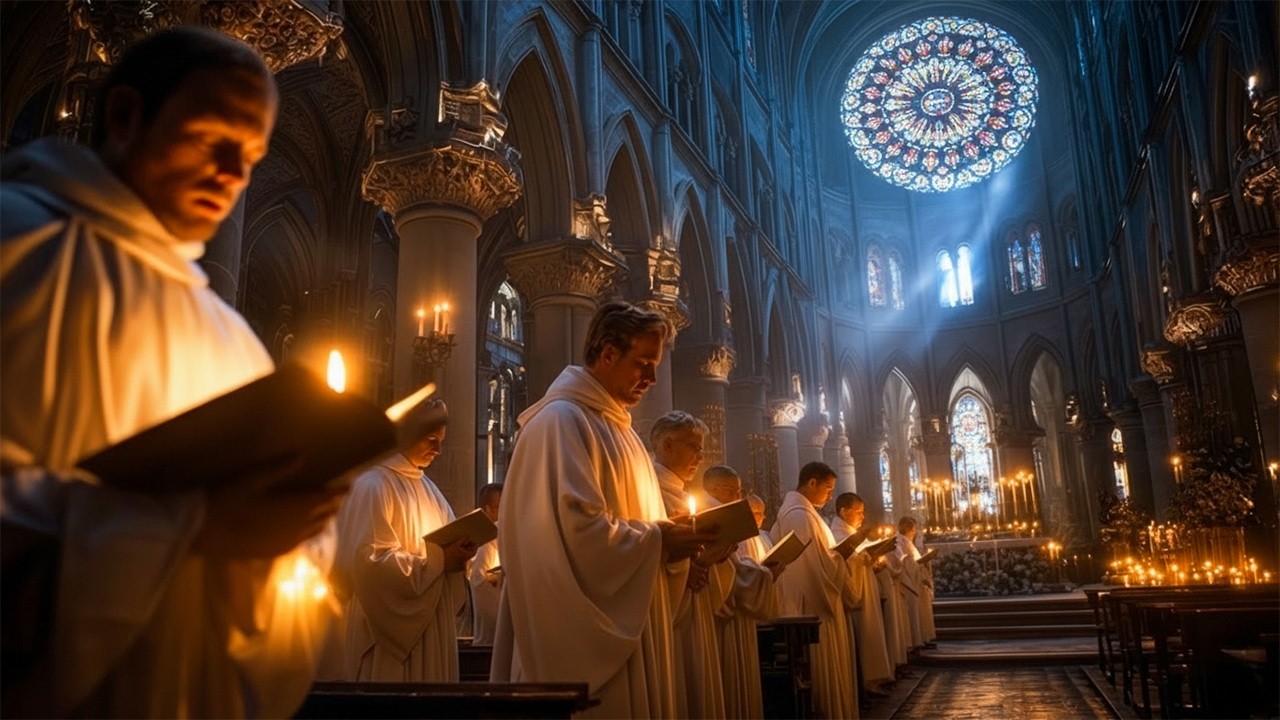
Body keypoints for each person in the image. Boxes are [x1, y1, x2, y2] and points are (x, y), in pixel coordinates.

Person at [0, 27, 345, 718]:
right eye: (212, 138)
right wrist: (192, 527)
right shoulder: (18, 247)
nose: (232, 174)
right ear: (126, 116)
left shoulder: (233, 340)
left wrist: (295, 531)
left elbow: (290, 585)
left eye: (249, 158)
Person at [490, 301, 708, 719]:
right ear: (608, 353)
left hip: (635, 630)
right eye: (643, 363)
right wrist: (660, 539)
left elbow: (636, 529)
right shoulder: (560, 423)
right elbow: (578, 535)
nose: (653, 377)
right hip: (582, 646)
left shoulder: (621, 432)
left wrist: (669, 541)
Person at [332, 400, 473, 681]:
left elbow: (449, 562)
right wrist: (441, 560)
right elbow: (368, 565)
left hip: (431, 626)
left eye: (442, 441)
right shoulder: (372, 485)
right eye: (431, 439)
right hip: (388, 638)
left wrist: (460, 558)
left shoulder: (431, 491)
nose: (438, 450)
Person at [652, 412, 731, 718]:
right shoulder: (649, 488)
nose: (701, 456)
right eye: (694, 447)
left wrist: (715, 559)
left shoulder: (682, 494)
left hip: (694, 607)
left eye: (701, 449)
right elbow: (651, 546)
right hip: (671, 614)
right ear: (668, 445)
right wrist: (688, 567)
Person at [771, 461, 859, 719]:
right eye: (828, 488)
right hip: (812, 604)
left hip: (812, 598)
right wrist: (841, 557)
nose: (830, 495)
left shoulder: (805, 513)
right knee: (821, 669)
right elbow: (812, 567)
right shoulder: (799, 515)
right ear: (811, 483)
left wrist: (838, 556)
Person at [704, 467, 779, 719]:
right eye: (732, 491)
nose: (738, 496)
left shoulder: (731, 517)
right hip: (728, 613)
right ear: (714, 490)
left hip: (741, 610)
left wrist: (762, 573)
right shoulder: (718, 516)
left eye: (739, 491)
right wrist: (765, 574)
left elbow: (737, 564)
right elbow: (728, 570)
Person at [830, 493, 894, 697]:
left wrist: (872, 560)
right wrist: (866, 557)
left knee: (871, 631)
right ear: (843, 511)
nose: (862, 517)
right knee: (864, 634)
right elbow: (841, 561)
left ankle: (875, 678)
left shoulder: (850, 532)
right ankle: (867, 682)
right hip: (856, 594)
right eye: (858, 512)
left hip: (865, 588)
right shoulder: (838, 534)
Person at [469, 482, 504, 645]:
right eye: (499, 507)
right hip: (491, 636)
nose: (504, 512)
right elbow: (480, 581)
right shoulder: (487, 540)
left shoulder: (507, 533)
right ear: (487, 509)